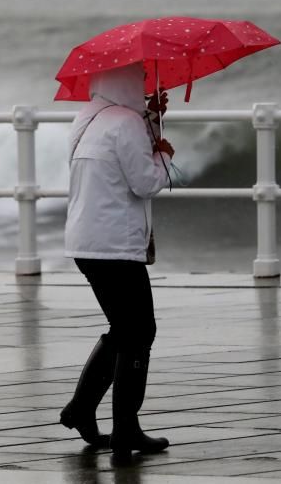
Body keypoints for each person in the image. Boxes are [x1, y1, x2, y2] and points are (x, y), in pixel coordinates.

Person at [60, 62, 174, 460]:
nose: (143, 85)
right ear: (124, 81)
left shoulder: (87, 118)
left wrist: (152, 122)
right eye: (140, 79)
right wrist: (161, 154)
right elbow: (146, 182)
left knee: (126, 329)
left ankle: (82, 409)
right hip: (115, 244)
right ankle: (125, 429)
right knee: (140, 331)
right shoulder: (125, 122)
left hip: (86, 242)